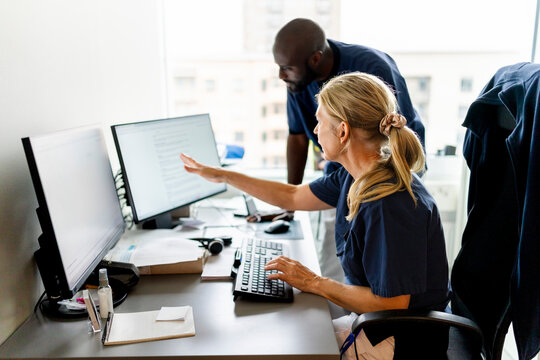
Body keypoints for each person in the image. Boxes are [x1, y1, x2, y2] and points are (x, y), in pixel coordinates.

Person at [180, 72, 448, 359]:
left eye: (320, 121)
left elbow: (392, 304)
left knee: (280, 343)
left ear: (343, 132)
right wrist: (222, 176)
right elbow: (292, 196)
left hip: (403, 343)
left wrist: (313, 282)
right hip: (376, 325)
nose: (315, 129)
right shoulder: (356, 175)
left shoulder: (388, 203)